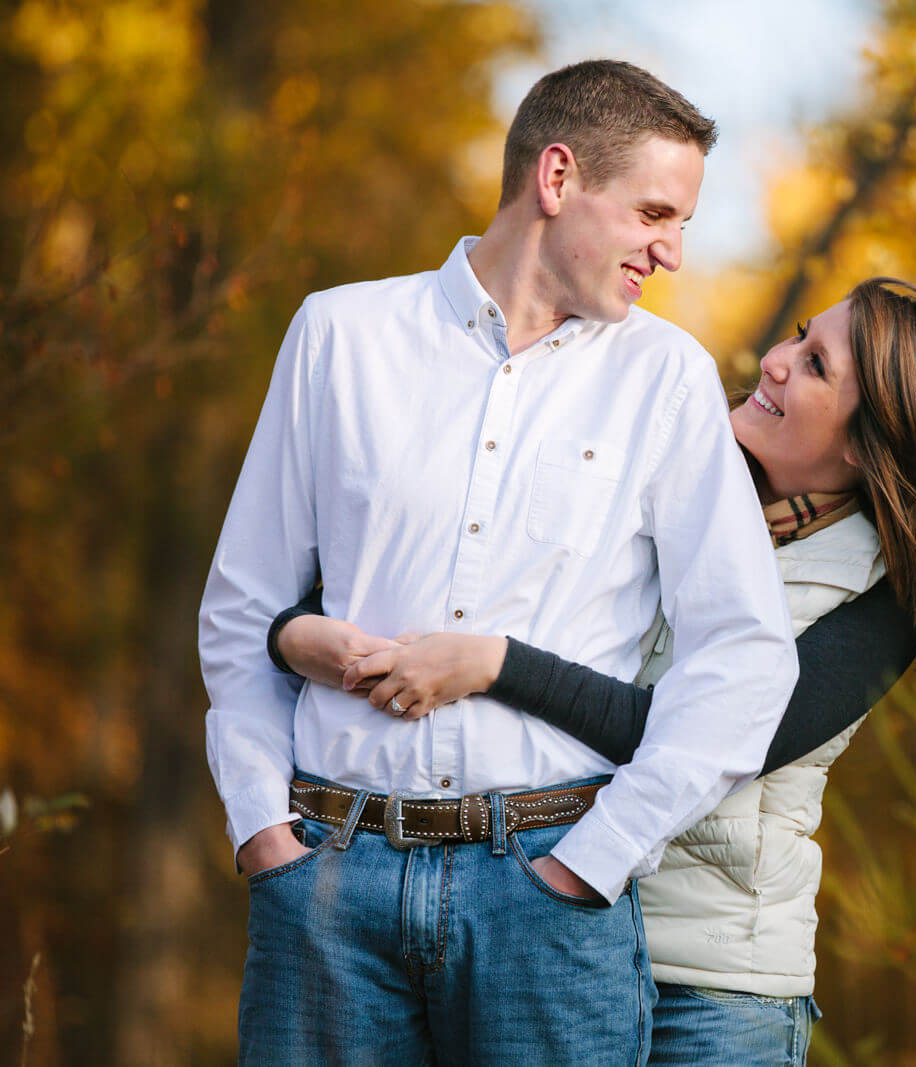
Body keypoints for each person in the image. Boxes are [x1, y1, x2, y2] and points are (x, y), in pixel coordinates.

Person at [197, 60, 801, 1065]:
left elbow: (745, 656)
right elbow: (241, 607)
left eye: (683, 222)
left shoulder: (668, 381)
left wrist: (597, 858)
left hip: (547, 896)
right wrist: (265, 832)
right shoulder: (339, 336)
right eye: (655, 212)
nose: (674, 252)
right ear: (557, 179)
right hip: (329, 886)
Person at [272, 277, 916, 1064]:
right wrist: (295, 629)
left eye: (815, 366)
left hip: (708, 988)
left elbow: (708, 734)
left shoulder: (888, 598)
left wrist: (497, 665)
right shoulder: (664, 463)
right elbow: (424, 580)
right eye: (797, 336)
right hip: (543, 943)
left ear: (870, 442)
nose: (773, 362)